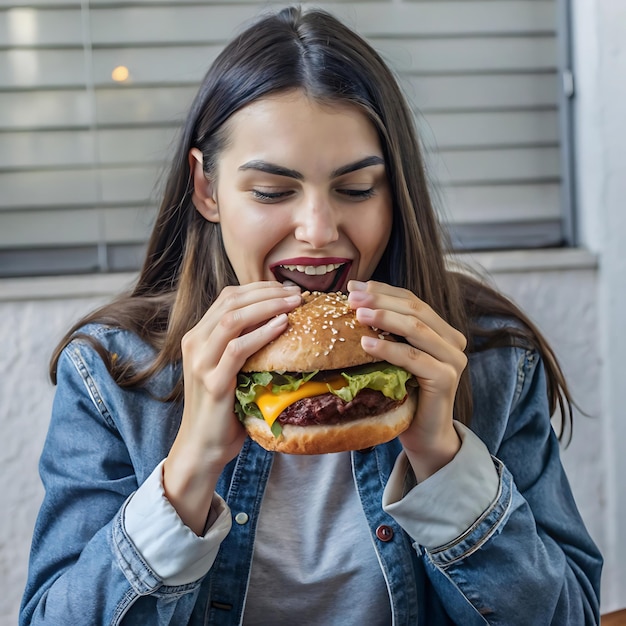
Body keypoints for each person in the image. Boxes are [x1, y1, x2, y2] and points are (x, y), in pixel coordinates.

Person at [20, 5, 602, 625]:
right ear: (207, 190)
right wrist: (187, 474)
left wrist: (444, 460)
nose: (318, 231)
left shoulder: (487, 361)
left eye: (357, 189)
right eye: (272, 192)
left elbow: (572, 615)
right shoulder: (112, 373)